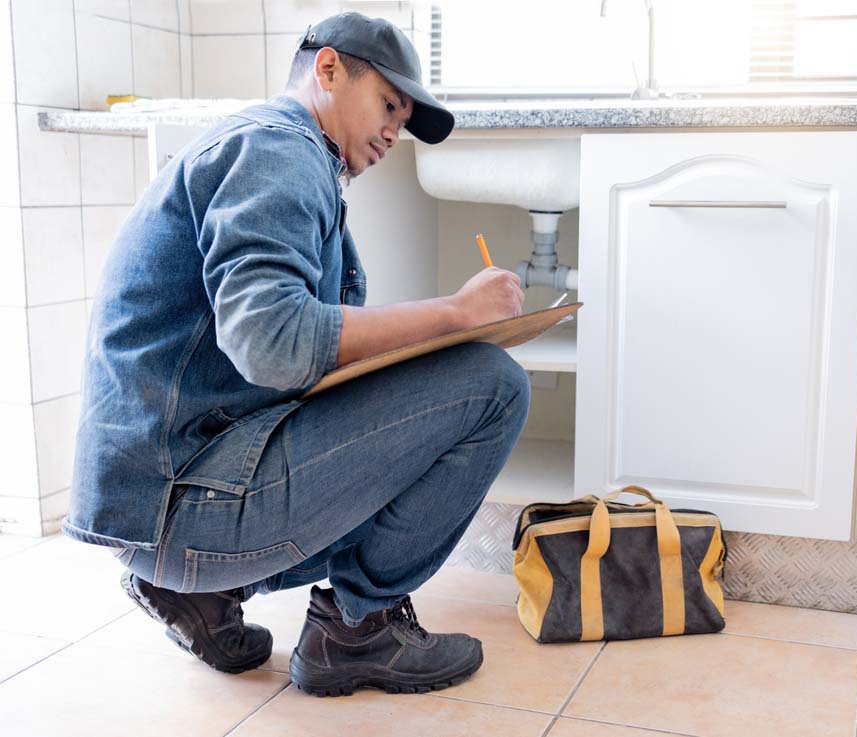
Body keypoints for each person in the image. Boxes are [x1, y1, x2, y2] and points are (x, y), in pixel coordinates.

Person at [63, 12, 530, 697]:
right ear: (329, 69)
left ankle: (204, 595)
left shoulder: (278, 152)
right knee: (493, 384)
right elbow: (273, 342)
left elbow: (292, 356)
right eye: (389, 104)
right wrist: (457, 314)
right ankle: (355, 629)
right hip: (180, 504)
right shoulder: (278, 151)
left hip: (160, 499)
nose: (394, 131)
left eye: (403, 117)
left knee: (432, 399)